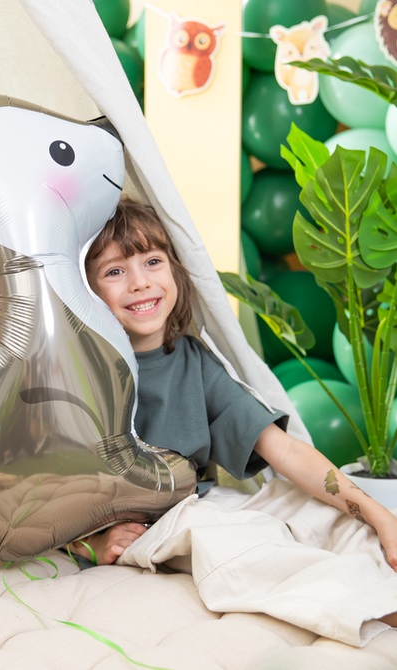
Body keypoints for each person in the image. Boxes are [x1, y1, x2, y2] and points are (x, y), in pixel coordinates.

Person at [73, 197, 397, 628]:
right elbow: (49, 486)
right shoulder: (81, 373)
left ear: (175, 270)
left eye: (152, 262)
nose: (140, 282)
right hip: (158, 525)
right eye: (115, 271)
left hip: (204, 502)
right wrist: (90, 544)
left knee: (321, 514)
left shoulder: (195, 360)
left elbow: (284, 451)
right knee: (239, 544)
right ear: (86, 290)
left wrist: (377, 513)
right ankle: (374, 608)